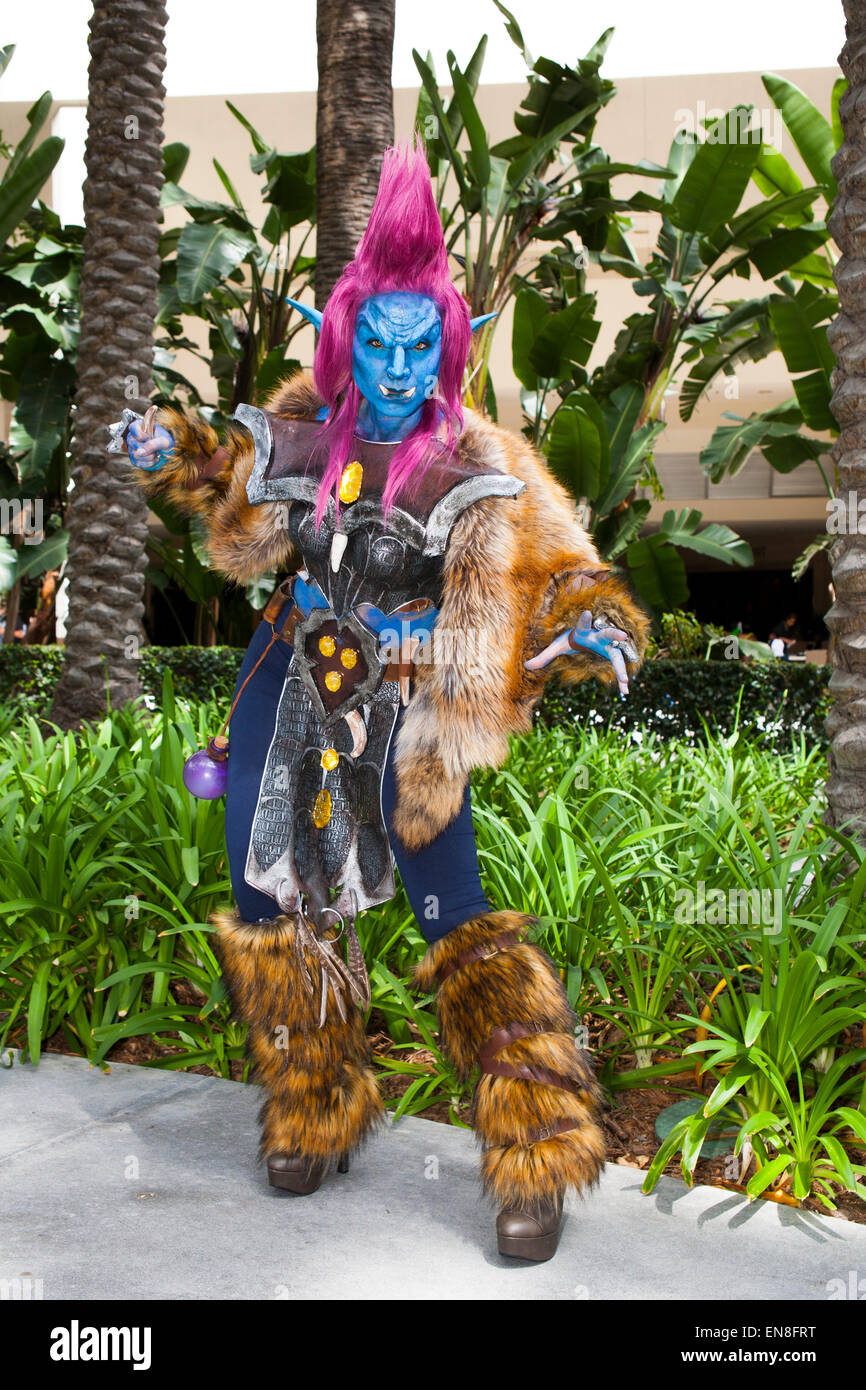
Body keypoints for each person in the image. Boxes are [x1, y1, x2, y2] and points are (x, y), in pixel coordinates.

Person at [109, 142, 650, 1262]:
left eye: (419, 348)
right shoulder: (308, 429)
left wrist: (592, 622)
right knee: (268, 897)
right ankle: (312, 1105)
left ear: (445, 349)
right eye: (378, 344)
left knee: (456, 918)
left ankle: (535, 1153)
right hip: (294, 682)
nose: (398, 368)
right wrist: (172, 445)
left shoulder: (482, 458)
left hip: (412, 713)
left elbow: (567, 570)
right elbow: (227, 470)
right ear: (346, 338)